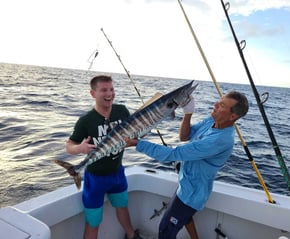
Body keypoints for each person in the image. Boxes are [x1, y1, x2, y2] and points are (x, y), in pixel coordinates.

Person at [125, 91, 249, 239]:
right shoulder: (212, 121)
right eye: (218, 101)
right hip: (187, 183)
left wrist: (137, 144)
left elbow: (172, 154)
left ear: (233, 116)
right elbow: (185, 136)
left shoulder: (220, 140)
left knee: (165, 229)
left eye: (222, 105)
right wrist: (188, 113)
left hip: (192, 194)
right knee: (184, 217)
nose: (215, 105)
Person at [66, 75, 142, 239]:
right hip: (95, 180)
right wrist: (80, 148)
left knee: (123, 207)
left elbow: (134, 132)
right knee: (93, 221)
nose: (109, 93)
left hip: (118, 174)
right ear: (93, 93)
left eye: (112, 89)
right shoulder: (86, 121)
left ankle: (131, 235)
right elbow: (69, 145)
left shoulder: (121, 111)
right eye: (104, 90)